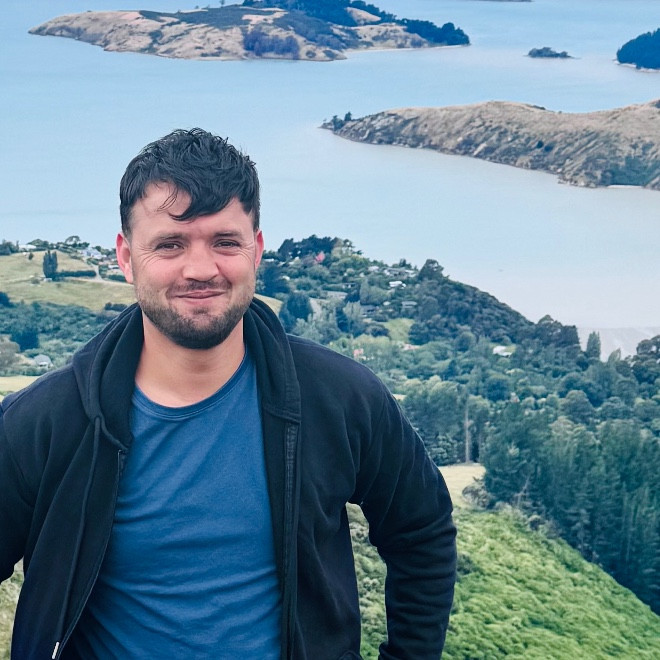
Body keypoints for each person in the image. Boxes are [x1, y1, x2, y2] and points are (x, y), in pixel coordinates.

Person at [0, 128, 456, 659]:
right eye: (169, 244)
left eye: (225, 242)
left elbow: (421, 532)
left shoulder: (341, 398)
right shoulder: (44, 423)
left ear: (256, 250)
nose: (200, 269)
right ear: (126, 257)